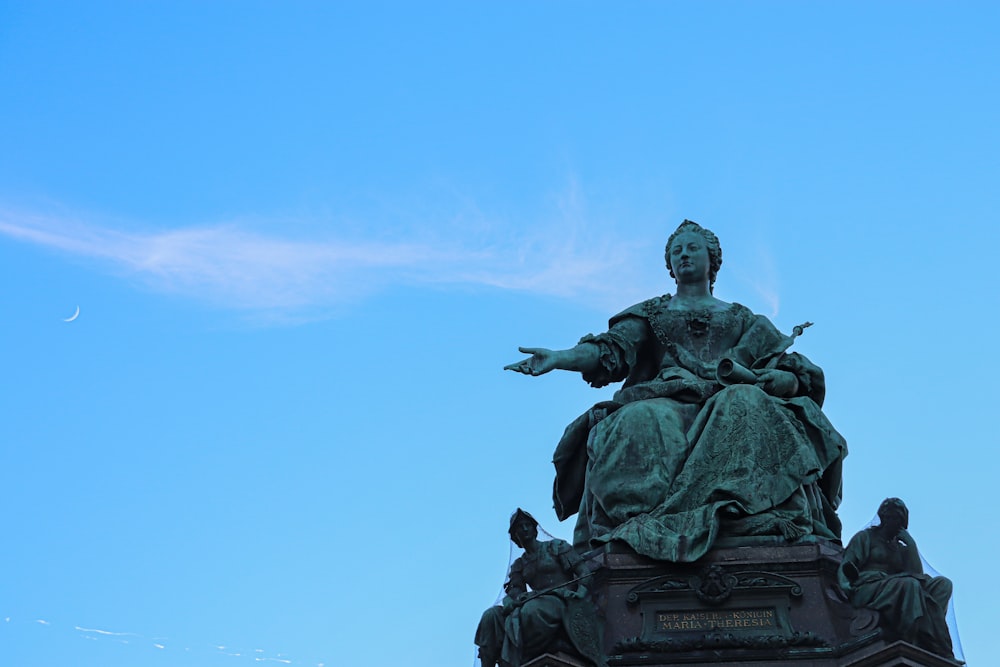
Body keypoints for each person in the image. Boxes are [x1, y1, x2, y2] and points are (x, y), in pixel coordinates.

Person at [506, 220, 847, 562]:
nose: (684, 254)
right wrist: (560, 358)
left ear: (712, 260)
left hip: (727, 395)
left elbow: (789, 370)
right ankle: (641, 523)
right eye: (676, 251)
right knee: (637, 421)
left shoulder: (742, 318)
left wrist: (781, 381)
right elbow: (611, 350)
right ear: (669, 265)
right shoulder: (652, 314)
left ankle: (736, 510)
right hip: (665, 398)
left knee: (745, 400)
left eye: (692, 248)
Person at [475, 509, 605, 667]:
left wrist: (579, 595)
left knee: (530, 612)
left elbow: (584, 573)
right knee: (490, 616)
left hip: (562, 600)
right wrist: (512, 599)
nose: (524, 529)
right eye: (519, 528)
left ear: (535, 528)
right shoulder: (519, 564)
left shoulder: (556, 547)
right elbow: (516, 591)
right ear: (515, 537)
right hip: (536, 600)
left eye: (527, 525)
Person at [838, 498, 954, 658]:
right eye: (891, 517)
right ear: (883, 517)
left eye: (898, 519)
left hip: (897, 588)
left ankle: (927, 634)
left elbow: (917, 575)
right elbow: (847, 564)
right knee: (909, 585)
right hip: (867, 588)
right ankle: (909, 638)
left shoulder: (901, 548)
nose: (893, 522)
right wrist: (846, 586)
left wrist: (911, 545)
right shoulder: (865, 537)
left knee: (944, 584)